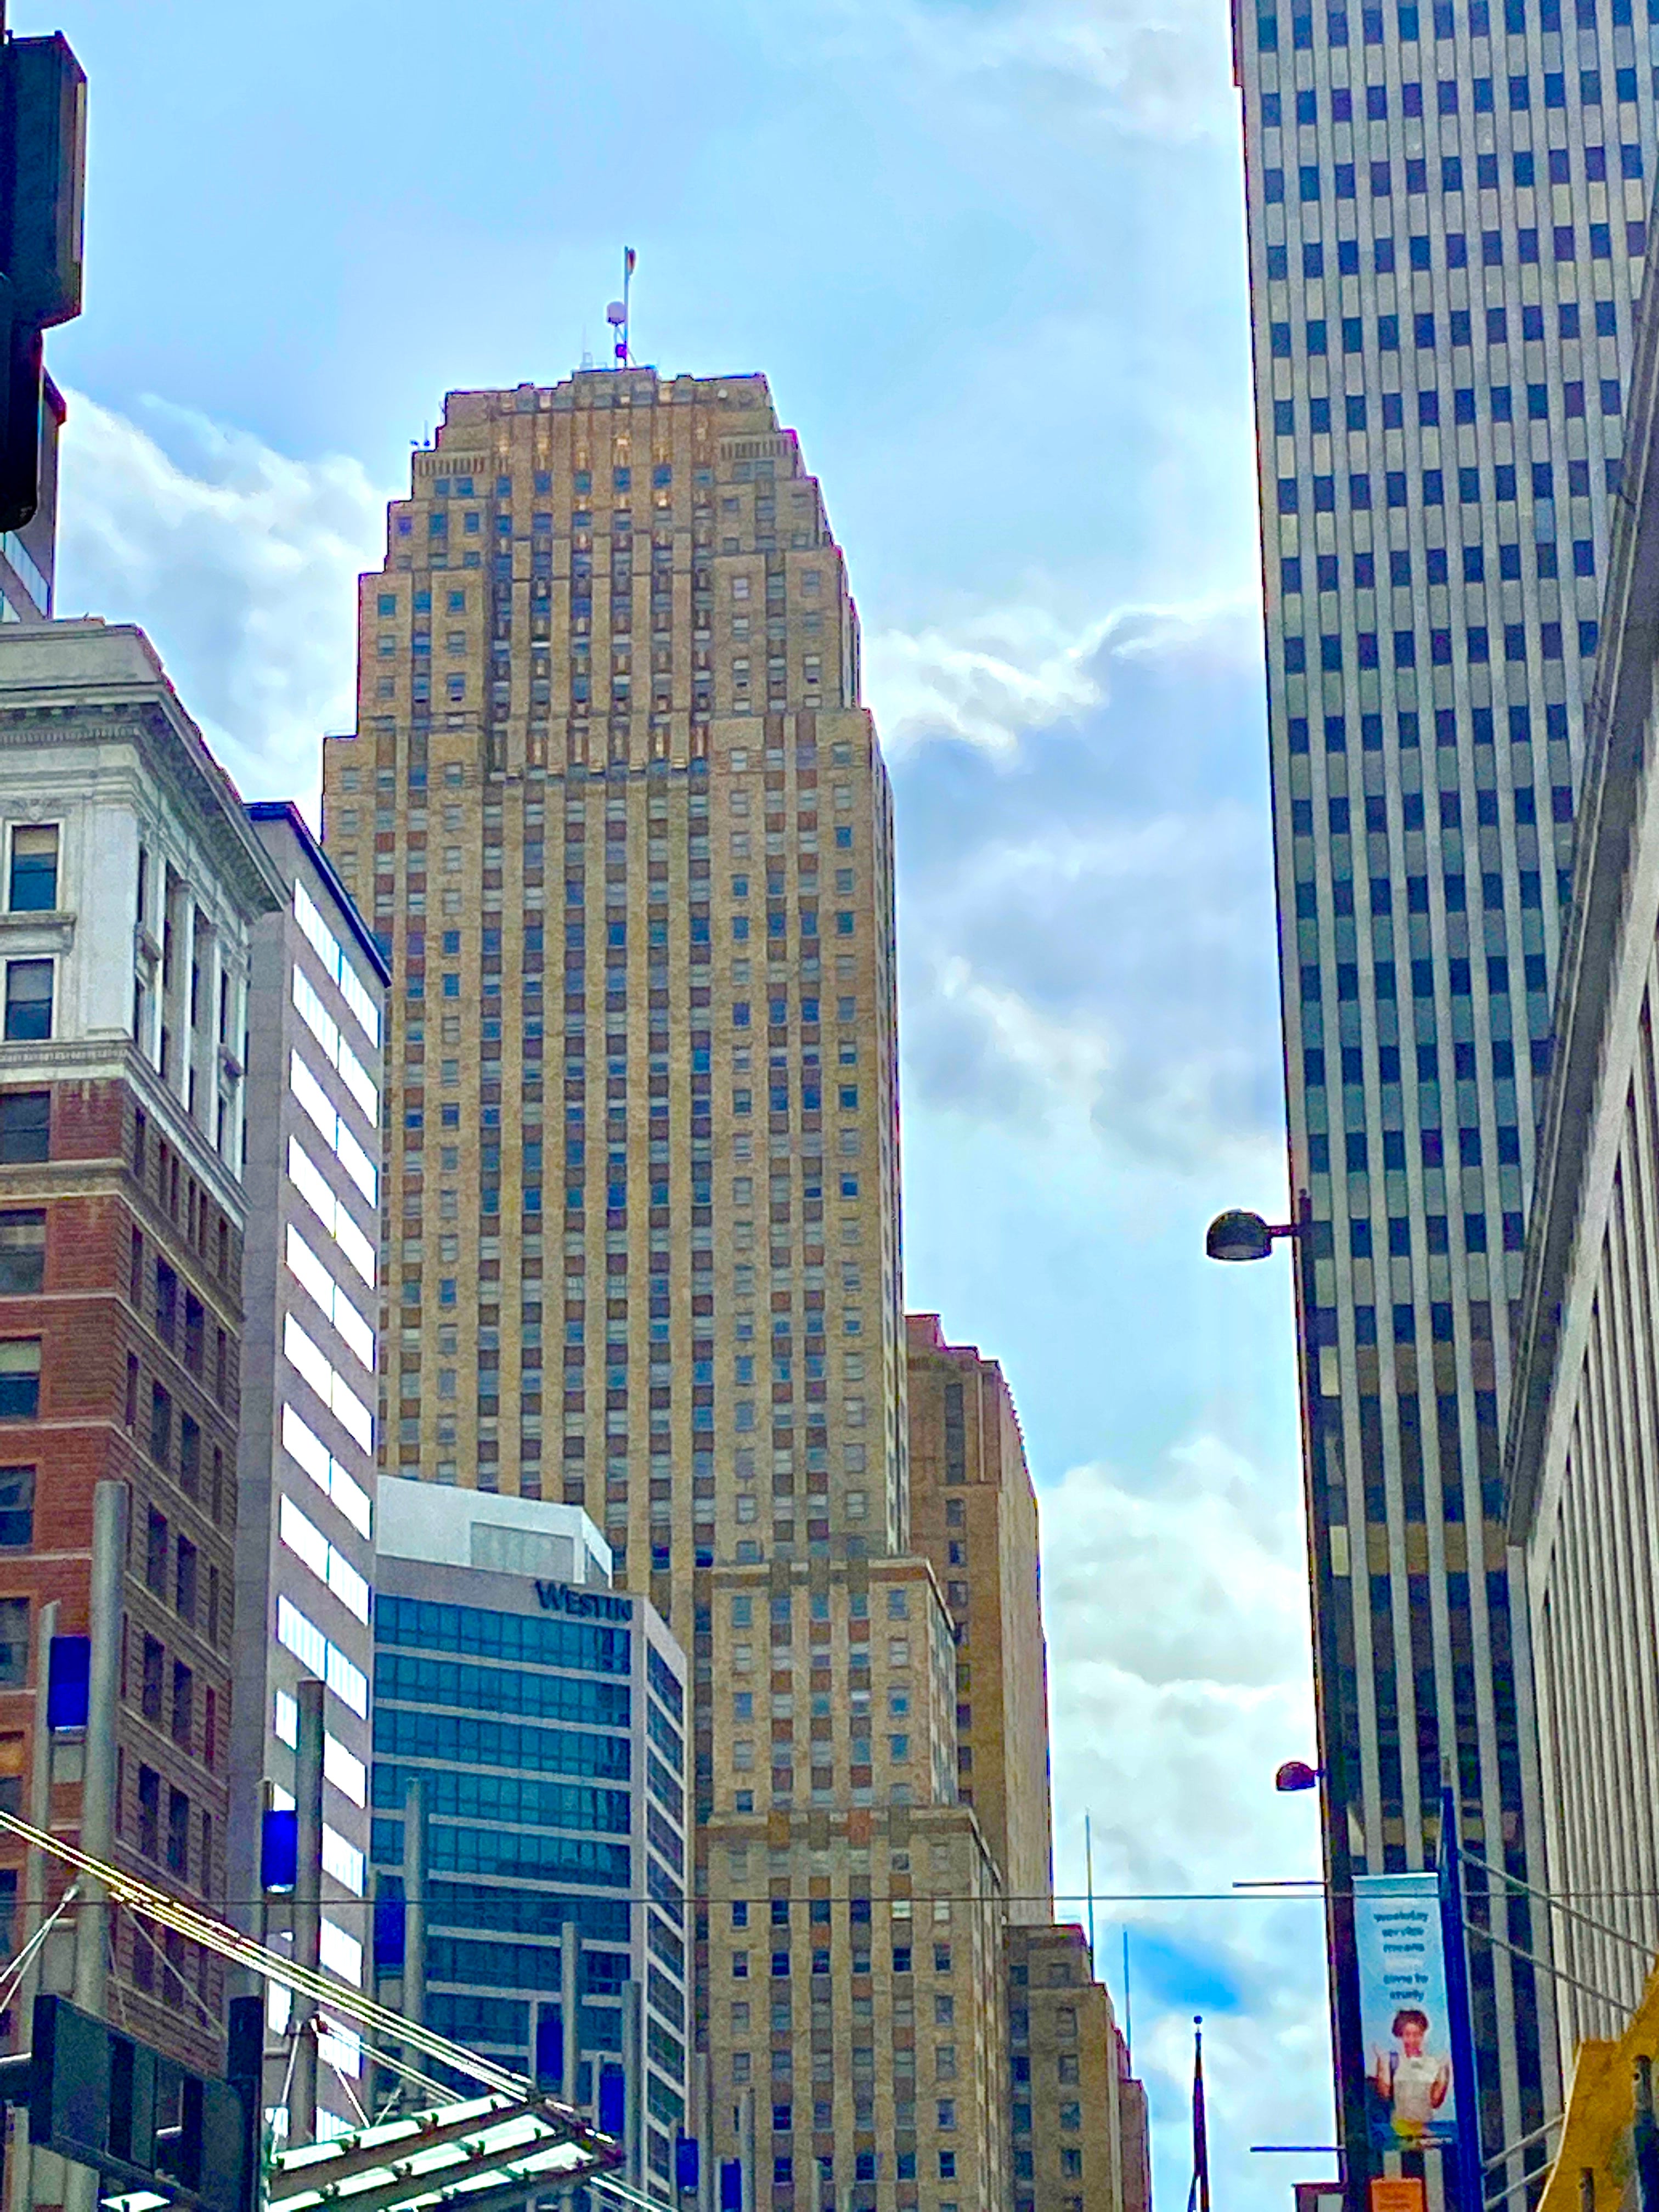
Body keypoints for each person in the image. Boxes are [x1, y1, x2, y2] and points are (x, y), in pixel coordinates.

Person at [1372, 2008, 1451, 2141]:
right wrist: (1382, 2067)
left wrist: (1444, 2075)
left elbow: (1435, 2102)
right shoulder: (1392, 2061)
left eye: (1417, 2035)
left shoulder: (1433, 2064)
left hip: (1425, 2131)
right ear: (1401, 2035)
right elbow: (1385, 2094)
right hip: (1399, 2132)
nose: (1412, 2040)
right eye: (1408, 2035)